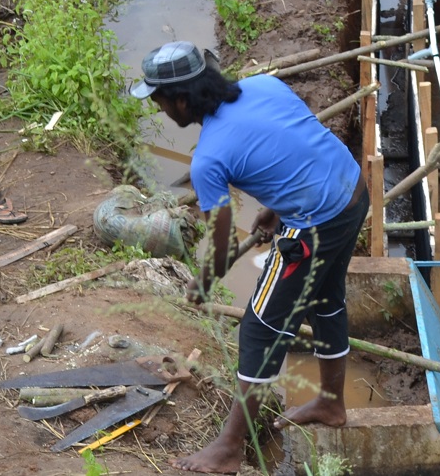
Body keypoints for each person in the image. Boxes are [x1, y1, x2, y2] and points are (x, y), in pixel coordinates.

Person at [132, 42, 368, 474]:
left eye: (160, 100)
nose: (160, 109)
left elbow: (220, 244)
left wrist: (204, 281)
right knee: (327, 300)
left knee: (260, 326)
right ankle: (331, 404)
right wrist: (276, 207)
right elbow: (298, 145)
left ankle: (228, 446)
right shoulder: (262, 86)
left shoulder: (209, 158)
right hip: (352, 192)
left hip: (315, 224)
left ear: (182, 99)